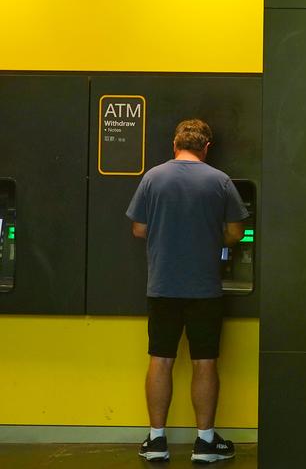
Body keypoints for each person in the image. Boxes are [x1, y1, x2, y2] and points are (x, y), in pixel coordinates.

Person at [126, 119, 248, 463]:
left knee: (160, 359)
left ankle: (156, 441)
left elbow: (138, 228)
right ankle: (206, 444)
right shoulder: (219, 181)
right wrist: (211, 237)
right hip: (204, 289)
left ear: (174, 144)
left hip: (162, 286)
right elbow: (237, 232)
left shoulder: (152, 178)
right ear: (206, 147)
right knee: (205, 362)